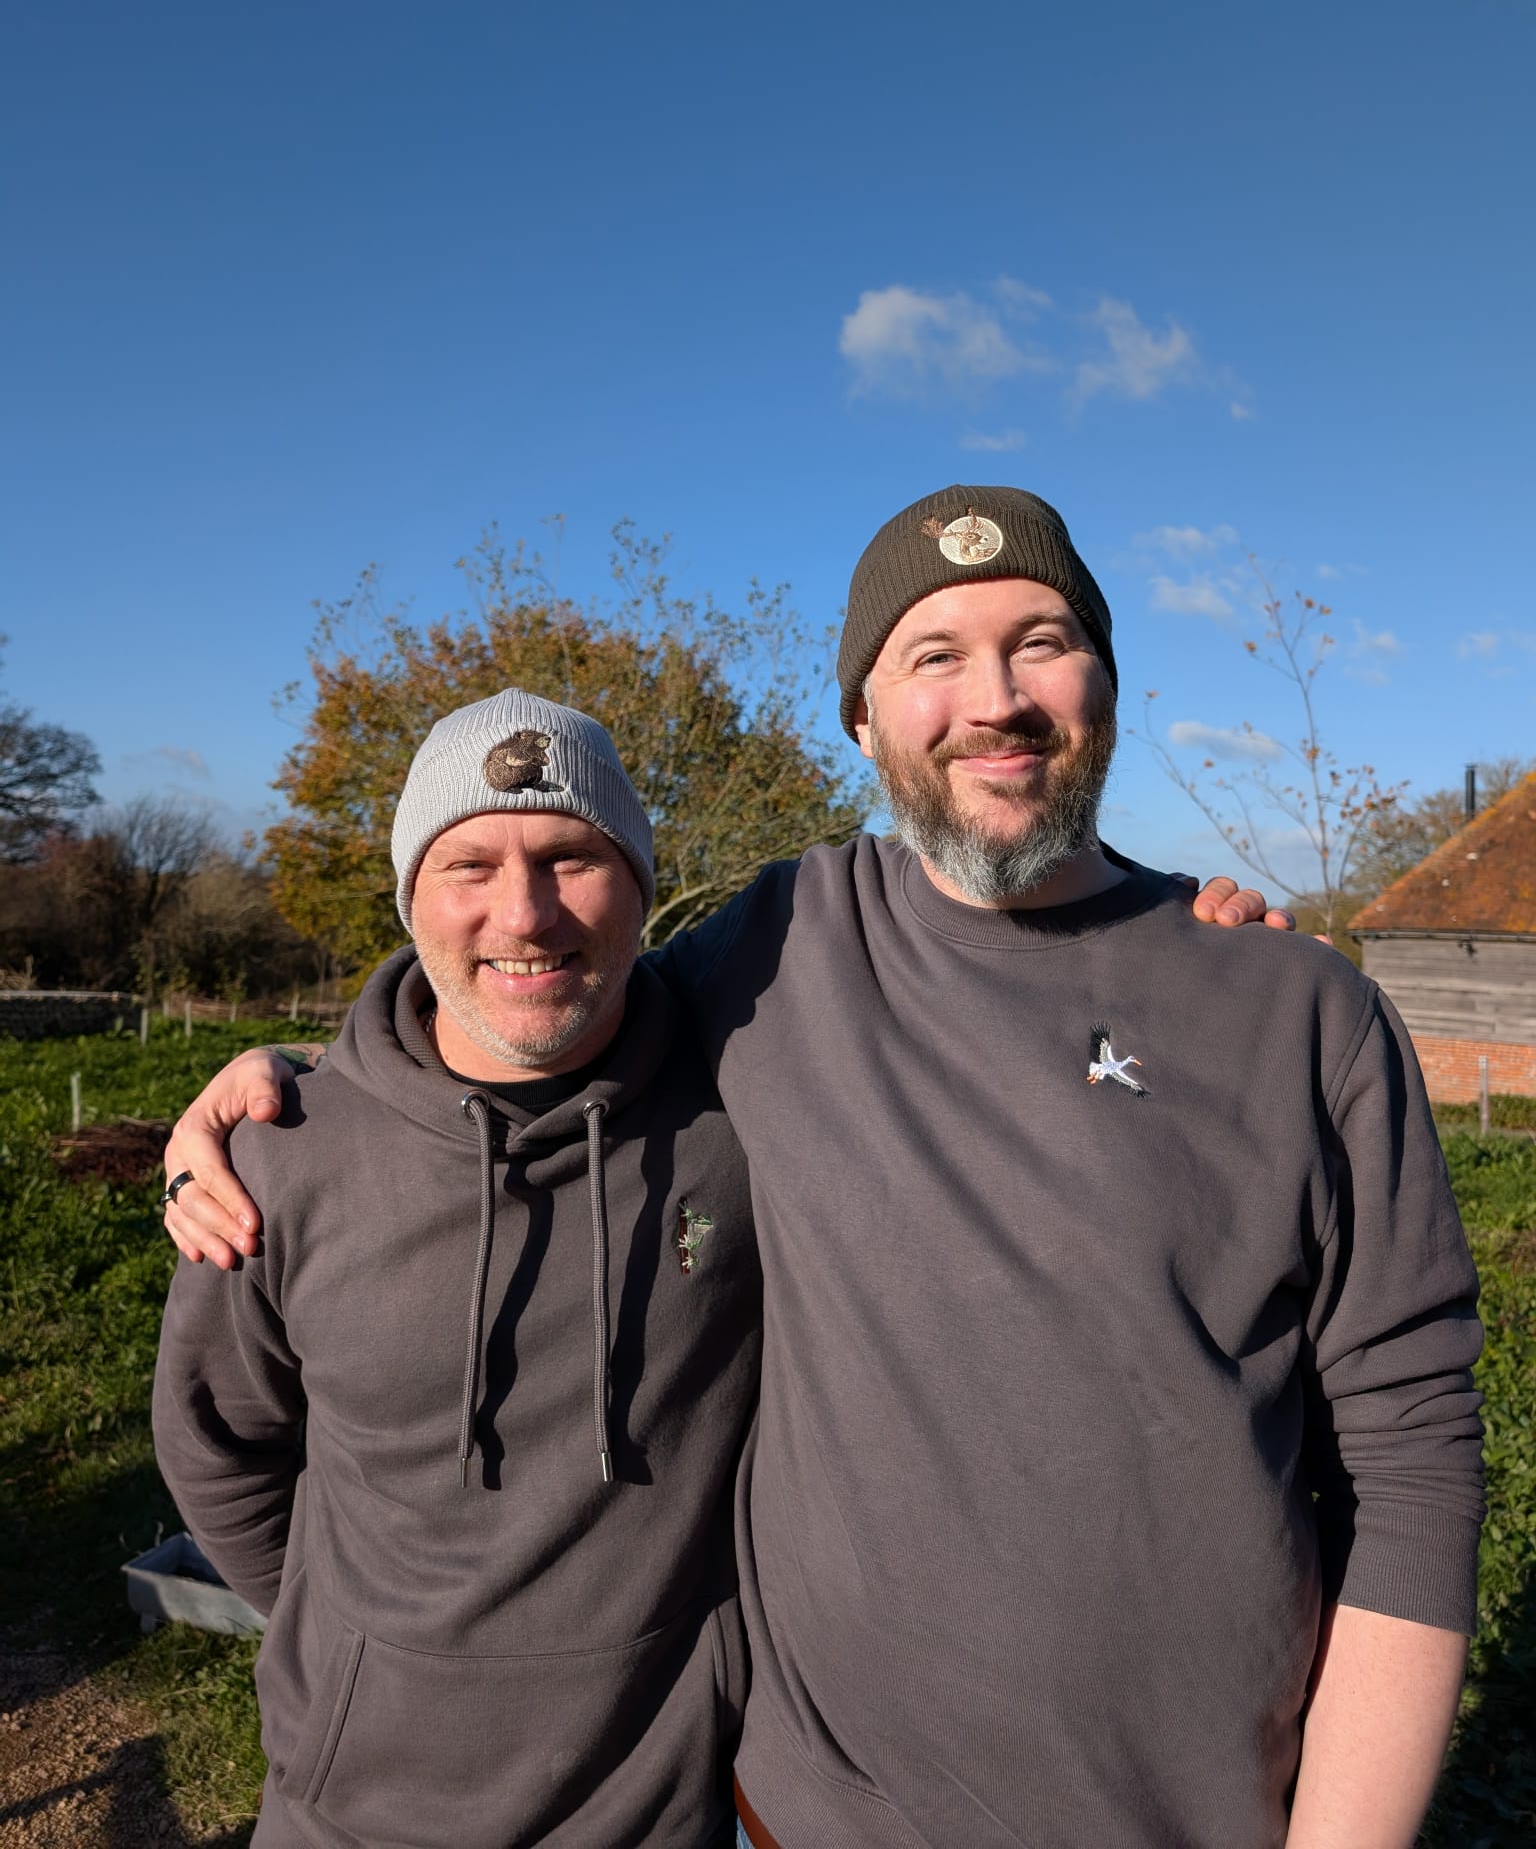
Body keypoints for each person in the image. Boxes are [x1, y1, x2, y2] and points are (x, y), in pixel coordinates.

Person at [162, 485, 1481, 1848]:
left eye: (1040, 640)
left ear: (1106, 681)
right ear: (861, 719)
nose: (996, 699)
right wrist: (306, 1088)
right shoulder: (780, 946)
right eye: (932, 657)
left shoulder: (1292, 1011)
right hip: (804, 1815)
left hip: (1201, 1815)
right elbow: (523, 1003)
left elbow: (1415, 1458)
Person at [153, 691, 761, 1848]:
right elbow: (215, 1441)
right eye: (468, 864)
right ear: (410, 900)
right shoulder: (281, 1157)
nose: (523, 915)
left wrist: (1197, 942)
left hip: (664, 1810)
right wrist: (357, 1655)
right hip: (354, 1815)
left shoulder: (751, 1117)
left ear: (639, 884)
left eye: (571, 857)